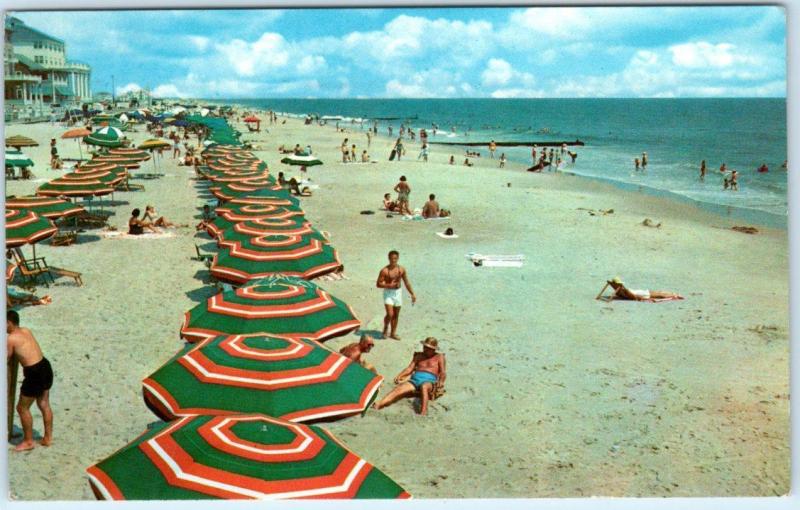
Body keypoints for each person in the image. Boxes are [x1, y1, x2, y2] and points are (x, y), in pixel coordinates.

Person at [7, 310, 54, 451]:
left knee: (22, 408)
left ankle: (28, 442)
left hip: (34, 374)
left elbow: (6, 359)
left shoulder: (11, 338)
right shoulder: (26, 330)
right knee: (44, 403)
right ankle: (47, 438)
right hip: (45, 366)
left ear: (9, 323)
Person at [373, 337, 446, 416]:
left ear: (434, 349)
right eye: (425, 347)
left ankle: (423, 412)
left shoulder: (439, 357)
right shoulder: (419, 356)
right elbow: (409, 368)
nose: (425, 349)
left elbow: (442, 372)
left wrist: (441, 382)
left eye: (428, 348)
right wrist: (400, 375)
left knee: (424, 386)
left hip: (429, 381)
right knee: (398, 389)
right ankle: (380, 404)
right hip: (415, 380)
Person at [376, 250, 416, 340]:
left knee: (396, 315)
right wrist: (389, 285)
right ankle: (386, 328)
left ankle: (393, 333)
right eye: (391, 258)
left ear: (398, 258)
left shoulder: (401, 269)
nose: (393, 260)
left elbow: (406, 282)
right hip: (388, 293)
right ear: (388, 258)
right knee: (390, 314)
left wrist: (412, 294)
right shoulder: (384, 271)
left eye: (395, 258)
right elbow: (378, 284)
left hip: (398, 292)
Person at [606, 277, 683, 301]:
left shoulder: (620, 291)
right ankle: (675, 295)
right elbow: (634, 297)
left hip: (641, 292)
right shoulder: (624, 290)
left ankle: (674, 295)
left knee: (659, 293)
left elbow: (631, 296)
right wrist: (645, 299)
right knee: (659, 294)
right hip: (642, 293)